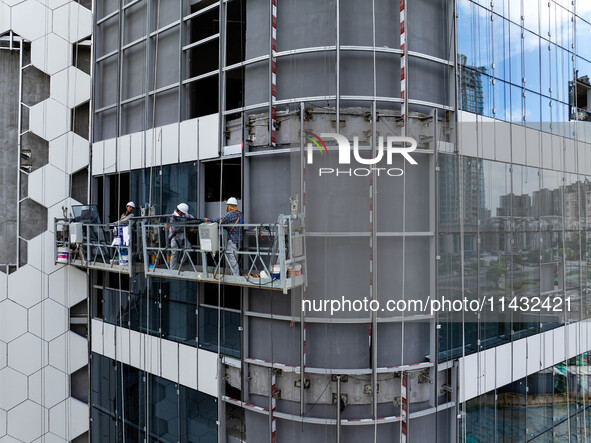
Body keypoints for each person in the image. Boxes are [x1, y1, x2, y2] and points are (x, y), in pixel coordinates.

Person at [204, 197, 242, 276]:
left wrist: (207, 220)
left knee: (232, 260)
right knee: (235, 259)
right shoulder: (240, 214)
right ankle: (234, 274)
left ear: (229, 206)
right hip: (238, 241)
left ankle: (236, 277)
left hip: (233, 241)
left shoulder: (230, 214)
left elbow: (219, 220)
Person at [169, 203, 195, 270]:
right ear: (179, 211)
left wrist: (192, 224)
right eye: (182, 213)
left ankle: (182, 262)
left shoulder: (184, 215)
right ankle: (172, 270)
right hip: (175, 238)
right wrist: (188, 229)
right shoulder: (173, 217)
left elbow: (192, 217)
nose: (183, 214)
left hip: (183, 237)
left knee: (188, 248)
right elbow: (175, 229)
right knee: (174, 254)